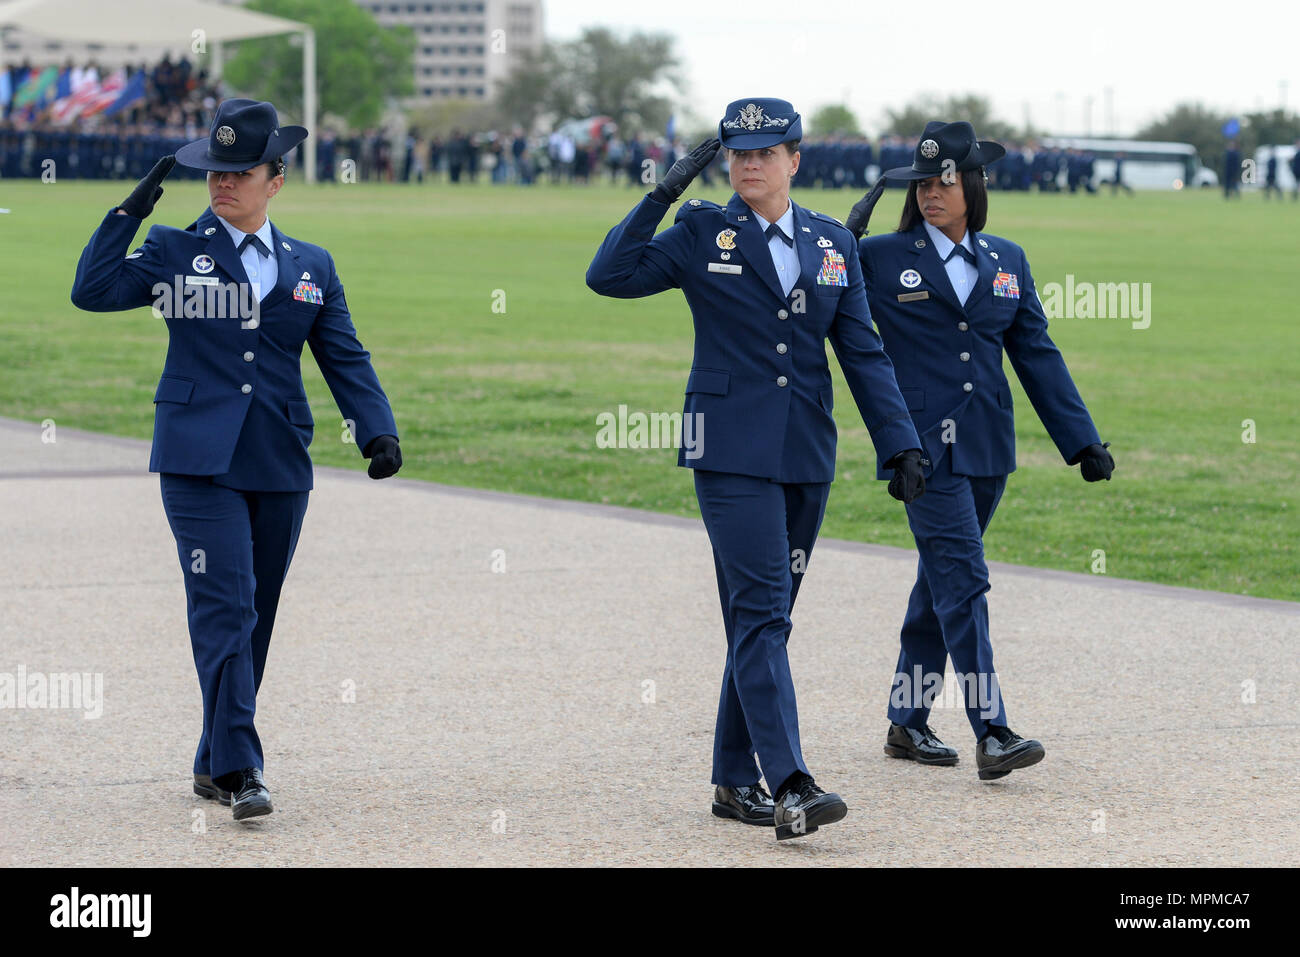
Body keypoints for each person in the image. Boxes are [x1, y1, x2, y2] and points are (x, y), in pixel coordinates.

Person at [587, 98, 925, 840]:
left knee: (763, 621)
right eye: (737, 151)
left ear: (794, 159)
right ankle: (792, 782)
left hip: (806, 454)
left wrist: (900, 443)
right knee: (765, 612)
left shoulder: (833, 243)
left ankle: (732, 777)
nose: (748, 163)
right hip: (730, 452)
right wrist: (661, 192)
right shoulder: (702, 229)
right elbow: (606, 276)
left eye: (765, 152)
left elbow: (863, 352)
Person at [70, 99, 403, 821]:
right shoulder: (170, 249)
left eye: (240, 172)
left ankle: (210, 757)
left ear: (274, 180)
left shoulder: (312, 265)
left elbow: (344, 355)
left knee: (258, 618)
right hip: (196, 459)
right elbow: (91, 291)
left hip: (279, 458)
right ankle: (243, 768)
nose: (223, 183)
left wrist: (376, 429)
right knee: (227, 606)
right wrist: (136, 202)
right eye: (215, 171)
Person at [846, 121, 1114, 781]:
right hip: (921, 454)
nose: (933, 193)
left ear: (973, 184)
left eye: (946, 181)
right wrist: (843, 237)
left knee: (941, 581)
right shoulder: (879, 256)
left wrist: (1081, 441)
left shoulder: (1008, 261)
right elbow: (833, 307)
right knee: (964, 580)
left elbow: (1036, 355)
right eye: (923, 183)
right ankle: (992, 729)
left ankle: (906, 721)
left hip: (989, 447)